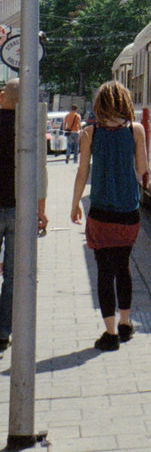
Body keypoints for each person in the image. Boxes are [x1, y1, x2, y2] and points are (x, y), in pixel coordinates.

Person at [71, 80, 148, 352]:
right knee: (124, 265)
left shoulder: (89, 133)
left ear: (99, 104)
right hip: (129, 211)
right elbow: (142, 168)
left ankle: (111, 333)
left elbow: (82, 172)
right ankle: (127, 324)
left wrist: (74, 205)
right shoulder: (136, 130)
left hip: (101, 211)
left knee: (104, 270)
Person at [0, 78, 48, 354]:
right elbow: (40, 171)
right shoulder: (30, 127)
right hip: (21, 209)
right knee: (15, 276)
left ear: (4, 96)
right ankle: (3, 331)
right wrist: (40, 212)